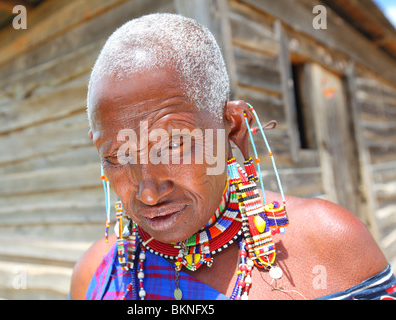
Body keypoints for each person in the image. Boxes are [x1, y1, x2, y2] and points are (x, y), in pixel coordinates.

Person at [70, 13, 396, 300]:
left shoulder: (329, 246)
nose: (148, 193)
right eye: (116, 156)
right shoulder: (94, 275)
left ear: (232, 129)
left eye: (173, 145)